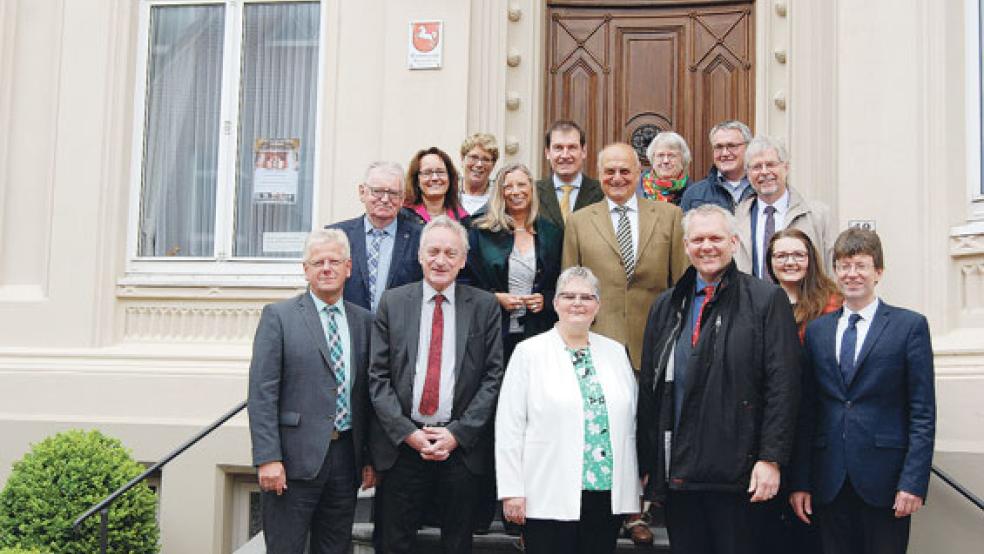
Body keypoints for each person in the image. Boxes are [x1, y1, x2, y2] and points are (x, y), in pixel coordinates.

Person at [637, 204, 801, 554]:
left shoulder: (765, 300)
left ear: (733, 242)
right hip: (680, 475)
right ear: (686, 246)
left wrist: (771, 458)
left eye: (716, 238)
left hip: (741, 476)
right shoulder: (666, 306)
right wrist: (648, 461)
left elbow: (783, 387)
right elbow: (650, 390)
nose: (707, 246)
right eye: (698, 239)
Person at [789, 227, 936, 554]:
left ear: (878, 272)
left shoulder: (909, 327)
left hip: (886, 482)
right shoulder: (818, 331)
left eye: (861, 266)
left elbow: (922, 412)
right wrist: (801, 481)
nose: (851, 274)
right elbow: (808, 411)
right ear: (835, 271)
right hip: (829, 481)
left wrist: (913, 482)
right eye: (844, 266)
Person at [368, 215, 504, 554]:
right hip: (403, 447)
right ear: (420, 255)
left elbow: (492, 377)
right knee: (394, 544)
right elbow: (378, 377)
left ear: (463, 260)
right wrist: (407, 432)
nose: (440, 260)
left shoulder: (484, 306)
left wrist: (458, 433)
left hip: (459, 447)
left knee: (457, 544)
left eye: (450, 253)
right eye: (433, 251)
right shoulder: (393, 302)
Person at [496, 266, 641, 554]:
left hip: (605, 492)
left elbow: (633, 421)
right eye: (568, 296)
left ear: (597, 305)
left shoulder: (615, 353)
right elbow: (509, 425)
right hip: (548, 489)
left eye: (587, 297)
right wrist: (512, 490)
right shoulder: (529, 353)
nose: (577, 303)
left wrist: (635, 484)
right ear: (555, 303)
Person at [247, 229, 375, 554]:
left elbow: (368, 395)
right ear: (306, 270)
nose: (327, 268)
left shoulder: (364, 322)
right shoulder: (279, 317)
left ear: (348, 268)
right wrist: (268, 458)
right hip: (291, 461)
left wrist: (370, 458)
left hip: (346, 459)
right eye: (318, 262)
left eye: (335, 261)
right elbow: (262, 393)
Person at [561, 142, 689, 370]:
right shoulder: (578, 222)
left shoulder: (670, 216)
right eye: (610, 171)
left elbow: (682, 284)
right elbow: (569, 290)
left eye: (625, 171)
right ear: (599, 175)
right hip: (597, 342)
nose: (617, 178)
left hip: (655, 342)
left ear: (639, 174)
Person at [466, 163, 563, 361]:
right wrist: (495, 298)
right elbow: (466, 282)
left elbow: (560, 281)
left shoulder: (551, 233)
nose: (515, 191)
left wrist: (545, 300)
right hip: (492, 332)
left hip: (538, 333)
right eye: (508, 186)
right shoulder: (480, 231)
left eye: (521, 185)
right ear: (499, 193)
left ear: (532, 189)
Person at [735, 136, 836, 279]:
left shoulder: (818, 215)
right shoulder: (736, 218)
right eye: (757, 167)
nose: (764, 172)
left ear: (786, 167)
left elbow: (831, 268)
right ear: (748, 174)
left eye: (770, 164)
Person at [328, 161, 422, 312]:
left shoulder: (420, 238)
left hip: (399, 325)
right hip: (349, 324)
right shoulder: (335, 236)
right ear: (362, 192)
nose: (385, 199)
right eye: (377, 191)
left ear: (402, 198)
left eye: (393, 193)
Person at [767, 228, 842, 342]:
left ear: (811, 259)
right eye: (781, 256)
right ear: (770, 262)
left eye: (799, 255)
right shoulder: (763, 302)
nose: (790, 262)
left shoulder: (832, 303)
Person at [535, 120, 605, 228]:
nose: (565, 155)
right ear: (547, 153)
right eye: (558, 148)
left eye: (572, 147)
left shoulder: (603, 192)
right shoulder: (532, 193)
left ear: (584, 151)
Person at [679, 120, 756, 213]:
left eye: (732, 146)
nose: (725, 153)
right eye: (719, 147)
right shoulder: (695, 194)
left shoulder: (762, 187)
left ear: (748, 147)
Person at [403, 147, 469, 224]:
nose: (435, 178)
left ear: (450, 177)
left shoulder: (463, 220)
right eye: (427, 172)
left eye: (440, 172)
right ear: (416, 179)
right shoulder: (403, 216)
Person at [638, 131, 692, 205]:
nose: (665, 161)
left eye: (671, 155)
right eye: (660, 155)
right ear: (652, 159)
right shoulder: (634, 188)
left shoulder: (694, 192)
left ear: (683, 160)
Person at [459, 133, 499, 215]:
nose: (479, 164)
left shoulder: (499, 198)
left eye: (486, 159)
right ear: (463, 159)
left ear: (493, 164)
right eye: (474, 157)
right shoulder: (448, 195)